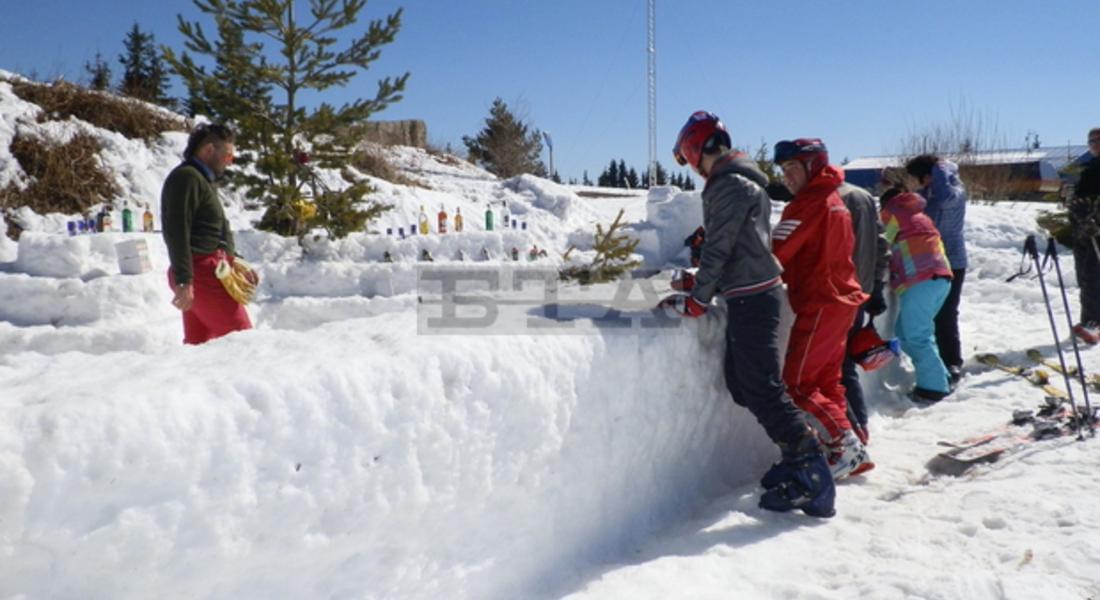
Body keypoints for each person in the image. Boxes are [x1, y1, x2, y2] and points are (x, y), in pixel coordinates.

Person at [659, 111, 835, 518]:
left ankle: (811, 473)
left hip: (753, 298)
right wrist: (699, 283)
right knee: (743, 385)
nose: (694, 169)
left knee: (763, 389)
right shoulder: (738, 183)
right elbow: (740, 248)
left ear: (695, 149)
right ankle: (797, 457)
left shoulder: (728, 185)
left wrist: (698, 299)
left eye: (690, 160)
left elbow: (719, 248)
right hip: (748, 293)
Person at [771, 138, 871, 479]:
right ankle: (849, 449)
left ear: (812, 166)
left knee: (797, 384)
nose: (786, 177)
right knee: (827, 382)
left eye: (792, 168)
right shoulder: (833, 198)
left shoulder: (809, 203)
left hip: (822, 301)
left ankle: (845, 447)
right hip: (841, 301)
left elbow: (775, 253)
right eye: (783, 170)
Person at [161, 123, 252, 345]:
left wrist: (233, 260)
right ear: (209, 150)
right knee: (243, 340)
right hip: (200, 272)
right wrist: (184, 280)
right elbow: (177, 229)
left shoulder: (200, 179)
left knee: (200, 346)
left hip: (205, 270)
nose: (229, 162)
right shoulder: (188, 178)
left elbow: (216, 227)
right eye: (228, 156)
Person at [879, 185, 954, 401]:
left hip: (920, 280)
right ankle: (940, 377)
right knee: (906, 331)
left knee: (916, 336)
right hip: (939, 279)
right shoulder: (918, 215)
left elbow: (882, 243)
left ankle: (933, 389)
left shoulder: (894, 212)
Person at [904, 154, 967, 382]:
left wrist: (942, 168)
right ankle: (937, 361)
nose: (922, 184)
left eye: (923, 178)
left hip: (953, 261)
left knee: (947, 314)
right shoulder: (925, 195)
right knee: (929, 315)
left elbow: (945, 196)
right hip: (929, 261)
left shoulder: (955, 191)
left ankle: (952, 362)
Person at [838, 181, 891, 443]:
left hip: (840, 296)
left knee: (837, 365)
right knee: (845, 365)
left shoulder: (836, 199)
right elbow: (881, 245)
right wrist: (877, 286)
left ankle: (852, 436)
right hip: (860, 292)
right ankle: (860, 428)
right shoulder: (865, 197)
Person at [1068, 128, 1100, 343]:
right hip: (1083, 230)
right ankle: (1089, 321)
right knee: (1085, 276)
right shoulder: (1089, 169)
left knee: (1093, 275)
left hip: (1096, 230)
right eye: (1091, 141)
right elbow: (1079, 199)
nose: (1095, 144)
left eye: (1099, 140)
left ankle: (1093, 323)